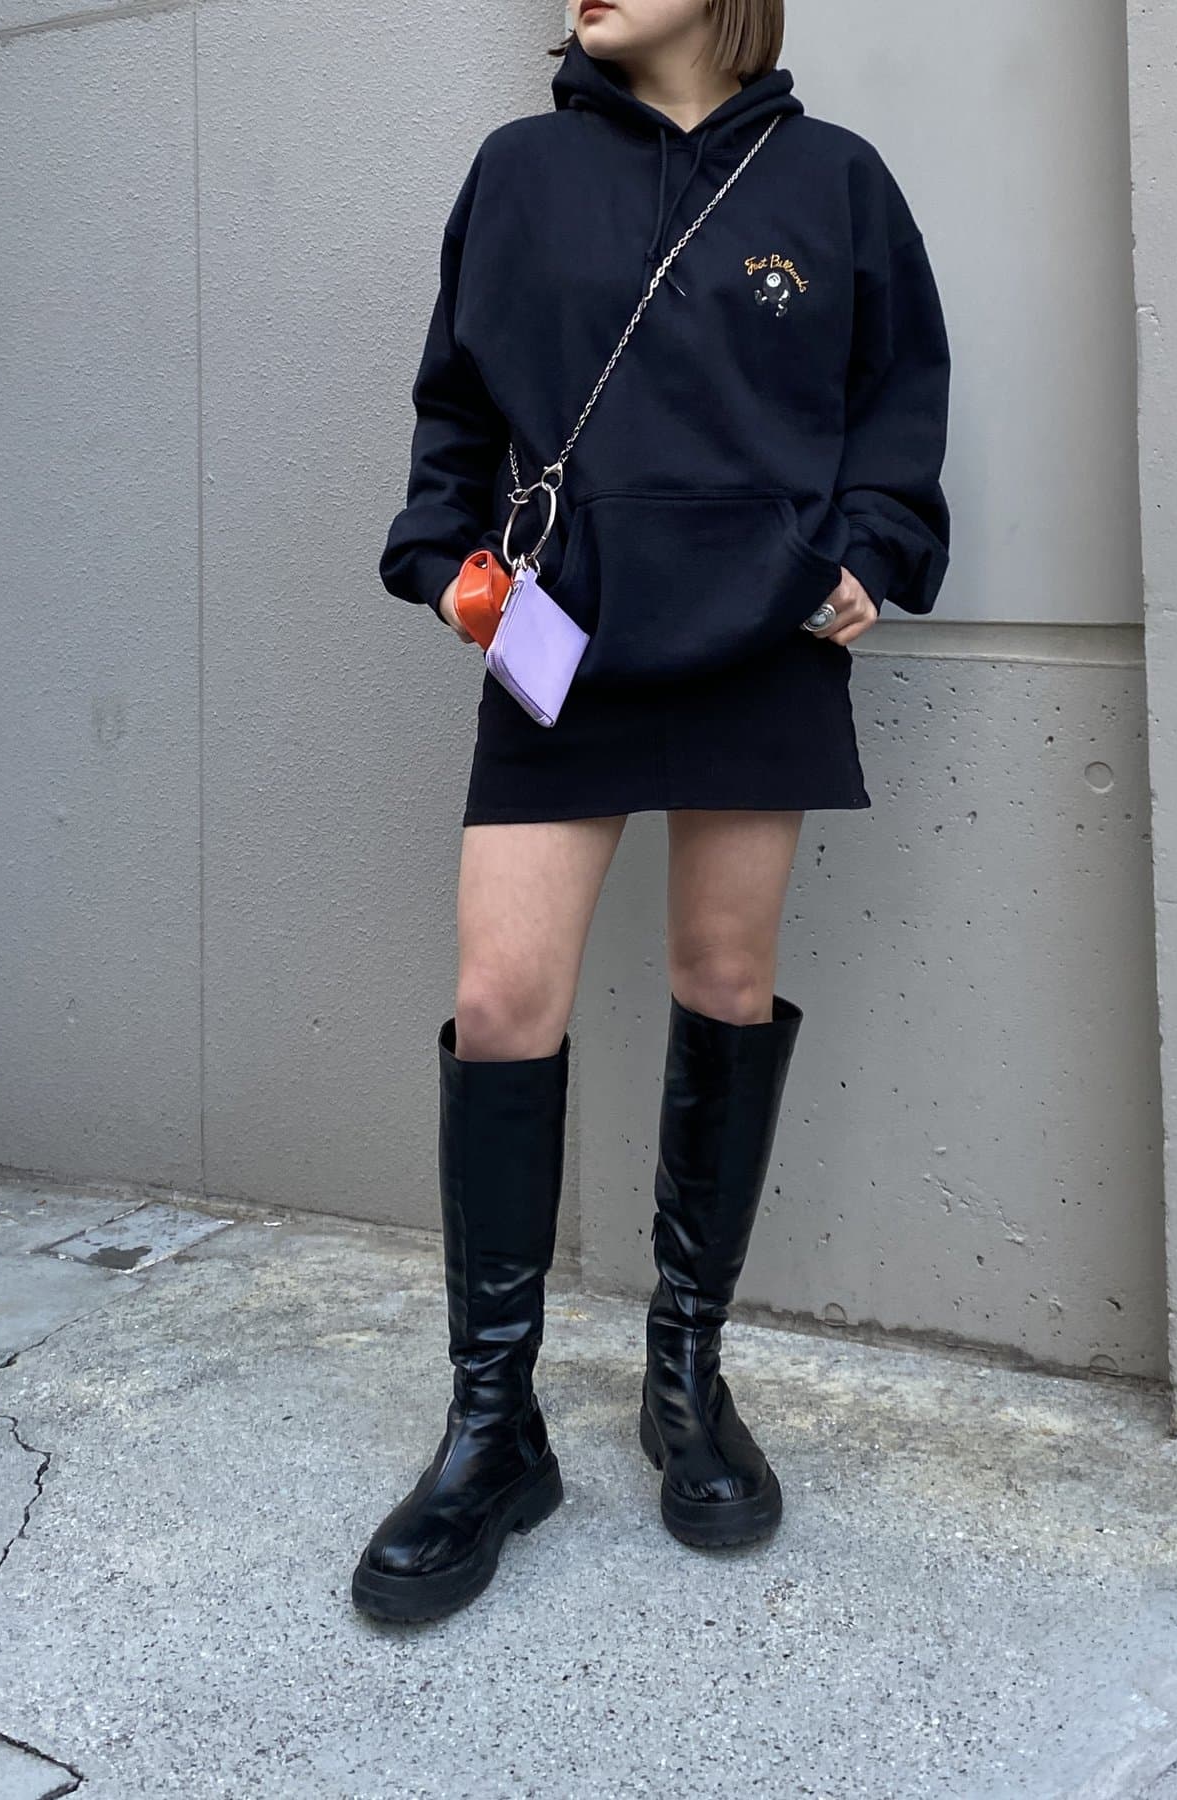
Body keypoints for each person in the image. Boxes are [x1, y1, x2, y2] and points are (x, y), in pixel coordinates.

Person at [352, 0, 951, 1623]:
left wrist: (874, 550)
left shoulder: (834, 181)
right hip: (562, 641)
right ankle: (493, 1430)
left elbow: (898, 395)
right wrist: (444, 568)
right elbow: (456, 404)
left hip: (761, 641)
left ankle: (686, 1379)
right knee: (501, 1003)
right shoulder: (519, 170)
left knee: (725, 984)